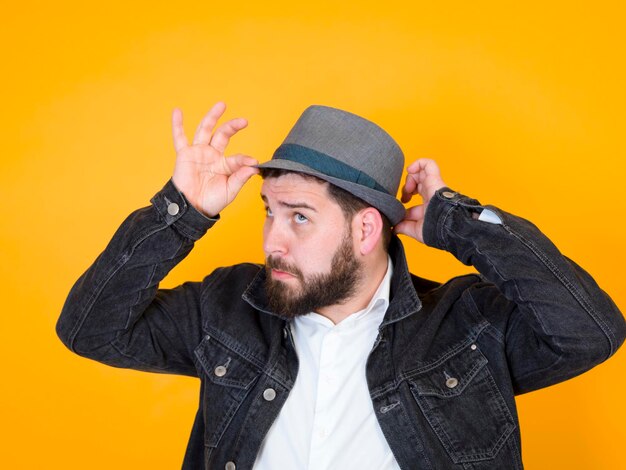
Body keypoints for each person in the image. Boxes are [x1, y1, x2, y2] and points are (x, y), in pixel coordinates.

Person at [57, 102, 626, 469]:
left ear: (365, 228)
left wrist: (455, 221)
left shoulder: (464, 328)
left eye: (299, 216)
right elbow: (89, 330)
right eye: (268, 212)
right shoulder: (227, 308)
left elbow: (590, 331)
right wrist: (180, 212)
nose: (271, 241)